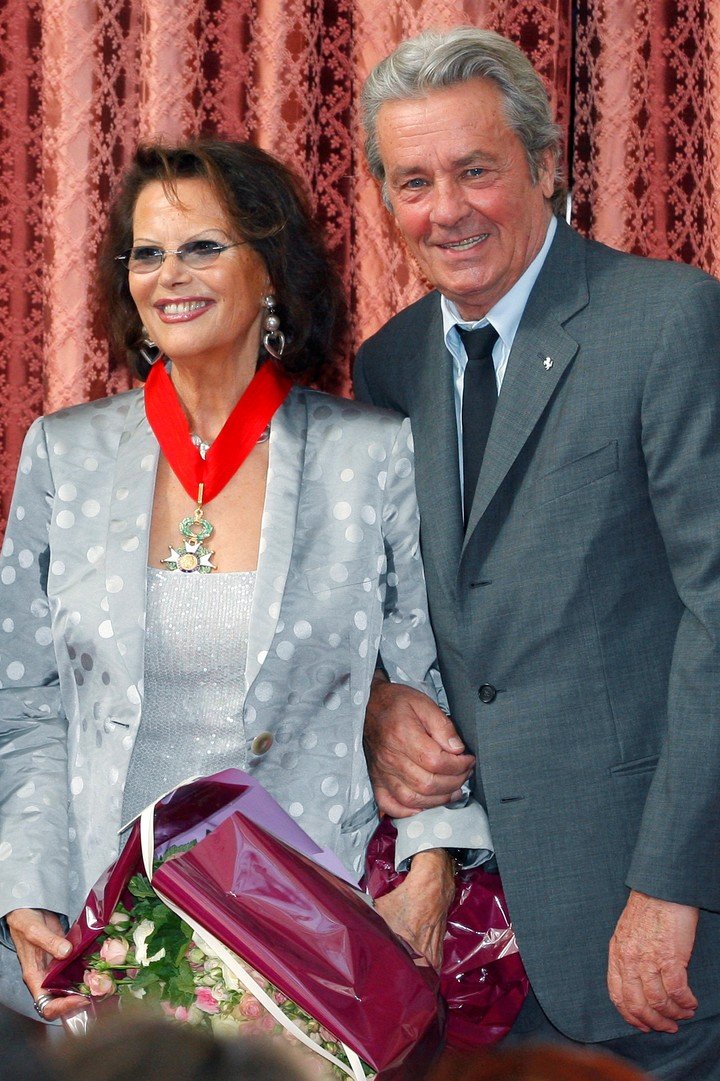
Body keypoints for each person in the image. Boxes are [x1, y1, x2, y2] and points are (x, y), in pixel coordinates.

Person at [0, 139, 486, 1024]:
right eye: (146, 252)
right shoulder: (61, 455)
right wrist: (26, 885)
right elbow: (24, 707)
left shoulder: (370, 456)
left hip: (305, 944)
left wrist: (431, 867)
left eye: (202, 246)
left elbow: (429, 688)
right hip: (104, 950)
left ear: (271, 271)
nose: (168, 274)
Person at [353, 26, 720, 1081]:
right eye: (414, 181)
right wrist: (380, 704)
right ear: (386, 200)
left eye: (476, 170)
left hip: (646, 938)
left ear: (545, 168)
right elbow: (392, 611)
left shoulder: (666, 322)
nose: (448, 210)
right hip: (465, 951)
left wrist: (671, 886)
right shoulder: (390, 367)